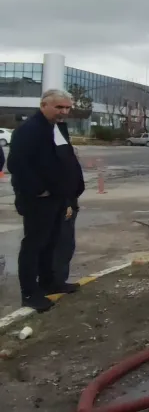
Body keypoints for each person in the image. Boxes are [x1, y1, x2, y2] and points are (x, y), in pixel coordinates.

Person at [7, 89, 85, 312]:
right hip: (38, 201)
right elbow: (17, 164)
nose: (64, 112)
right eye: (59, 107)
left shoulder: (58, 128)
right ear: (44, 105)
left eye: (67, 108)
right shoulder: (29, 130)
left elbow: (65, 159)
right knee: (34, 246)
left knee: (52, 242)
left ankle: (50, 283)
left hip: (60, 198)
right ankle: (30, 293)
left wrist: (73, 189)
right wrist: (39, 190)